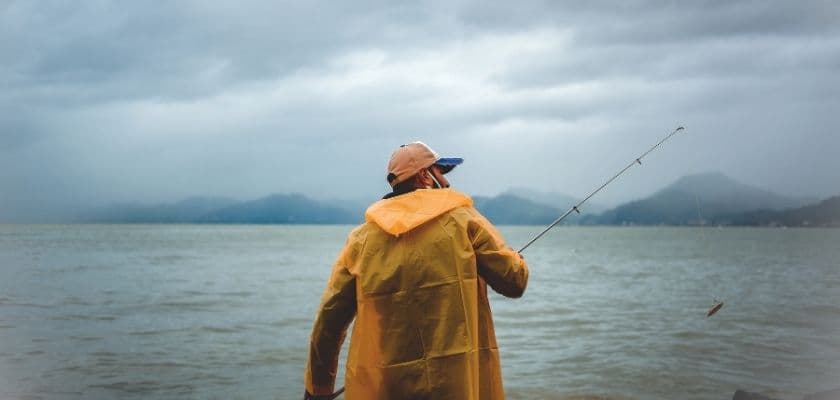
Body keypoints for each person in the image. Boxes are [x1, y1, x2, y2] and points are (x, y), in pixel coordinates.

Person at [303, 141, 529, 399]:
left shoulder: (360, 240)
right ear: (425, 176)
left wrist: (317, 389)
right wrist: (515, 259)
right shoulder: (464, 220)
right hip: (458, 385)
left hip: (387, 387)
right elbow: (514, 281)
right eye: (441, 172)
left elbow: (329, 320)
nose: (446, 182)